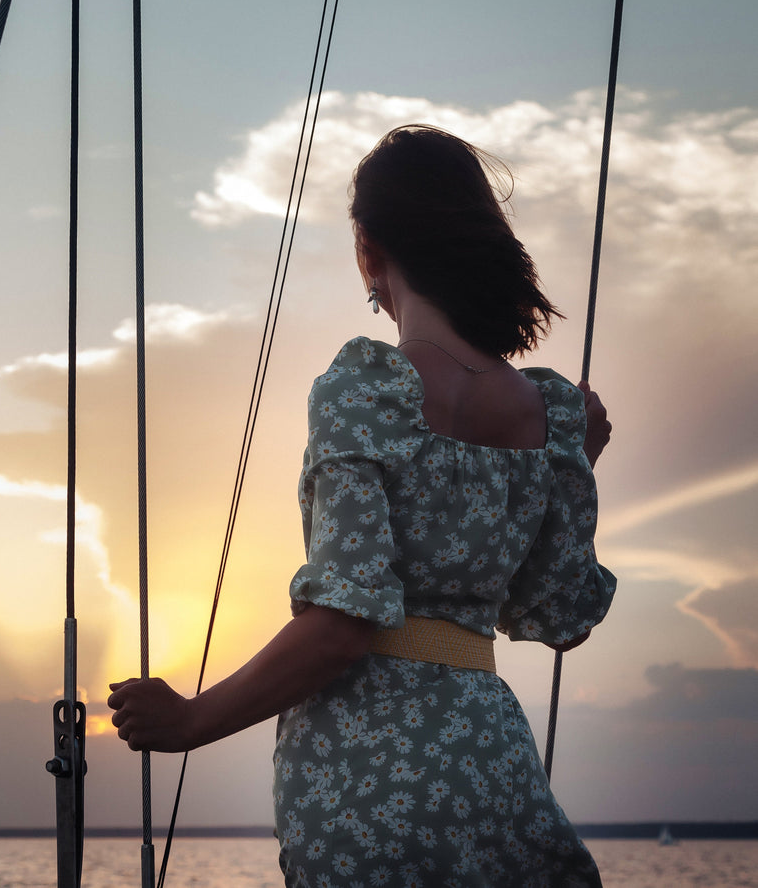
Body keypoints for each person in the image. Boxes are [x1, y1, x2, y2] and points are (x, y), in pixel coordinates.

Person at [107, 125, 617, 886]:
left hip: (368, 779)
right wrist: (574, 463)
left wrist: (190, 720)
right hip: (491, 763)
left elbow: (344, 625)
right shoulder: (546, 417)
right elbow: (557, 617)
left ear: (368, 250)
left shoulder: (367, 389)